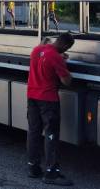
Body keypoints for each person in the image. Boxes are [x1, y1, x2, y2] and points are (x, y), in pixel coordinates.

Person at [27, 32, 74, 186]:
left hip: (32, 96)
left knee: (34, 131)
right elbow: (66, 81)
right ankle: (51, 172)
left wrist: (60, 57)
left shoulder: (36, 50)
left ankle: (33, 167)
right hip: (48, 100)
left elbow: (44, 57)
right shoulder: (56, 57)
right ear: (65, 46)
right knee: (51, 134)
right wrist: (64, 64)